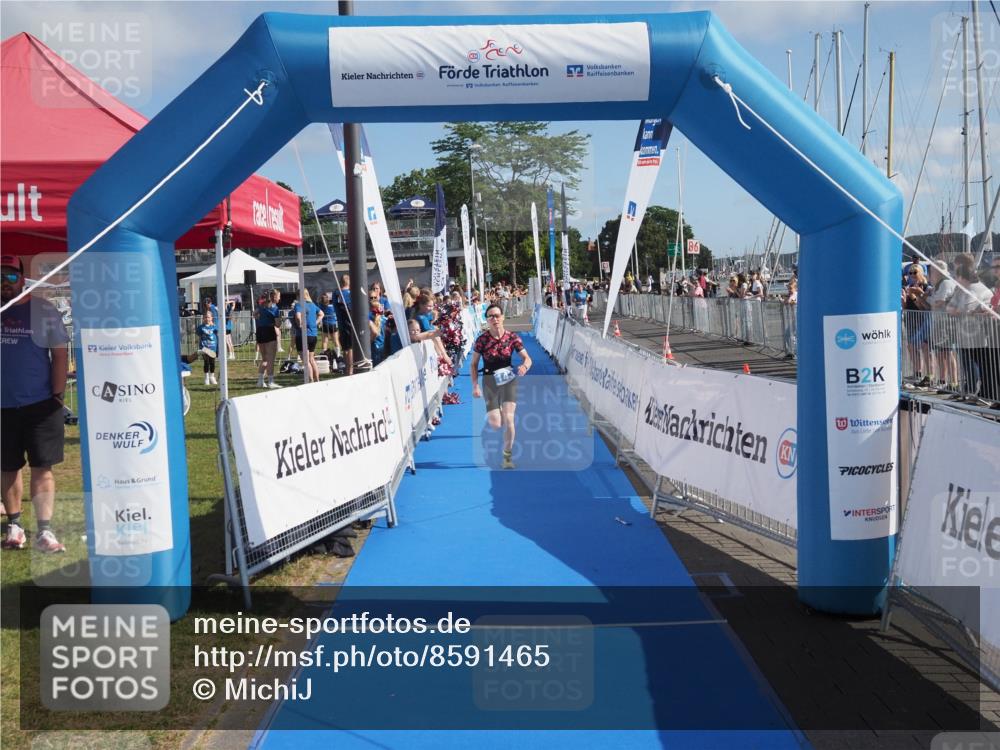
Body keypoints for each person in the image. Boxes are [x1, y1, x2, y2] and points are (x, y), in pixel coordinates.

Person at [1, 256, 69, 552]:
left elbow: (60, 354)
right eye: (0, 277)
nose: (5, 283)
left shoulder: (44, 311)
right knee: (7, 467)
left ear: (22, 278)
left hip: (41, 404)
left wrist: (57, 395)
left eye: (10, 277)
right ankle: (14, 525)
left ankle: (44, 531)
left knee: (42, 466)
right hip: (3, 406)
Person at [470, 304, 532, 470]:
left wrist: (525, 366)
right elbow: (474, 364)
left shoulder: (512, 337)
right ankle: (498, 414)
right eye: (490, 316)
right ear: (487, 320)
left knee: (509, 419)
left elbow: (527, 358)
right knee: (496, 424)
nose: (494, 319)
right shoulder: (482, 340)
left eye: (497, 315)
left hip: (507, 379)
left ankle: (507, 457)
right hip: (489, 381)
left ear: (503, 317)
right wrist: (475, 386)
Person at [293, 290, 323, 382]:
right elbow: (322, 314)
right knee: (311, 359)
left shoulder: (298, 305)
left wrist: (300, 324)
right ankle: (317, 379)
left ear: (298, 296)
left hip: (303, 335)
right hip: (313, 335)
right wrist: (315, 323)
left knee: (306, 361)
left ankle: (310, 380)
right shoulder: (313, 305)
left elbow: (298, 316)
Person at [255, 289, 282, 389]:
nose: (279, 298)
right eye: (279, 296)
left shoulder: (261, 305)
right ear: (274, 297)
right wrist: (278, 321)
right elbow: (278, 324)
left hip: (260, 331)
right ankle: (271, 382)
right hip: (269, 331)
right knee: (270, 359)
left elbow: (254, 314)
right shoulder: (275, 308)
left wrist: (260, 319)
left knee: (265, 358)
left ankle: (260, 381)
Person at [335, 274, 355, 375]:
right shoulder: (349, 294)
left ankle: (347, 369)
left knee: (345, 348)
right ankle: (350, 370)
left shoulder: (336, 293)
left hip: (341, 324)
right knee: (350, 348)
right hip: (349, 324)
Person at [198, 310, 219, 386]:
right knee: (206, 362)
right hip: (204, 347)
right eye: (206, 317)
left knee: (212, 363)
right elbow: (199, 335)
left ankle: (212, 377)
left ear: (211, 318)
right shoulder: (201, 327)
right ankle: (206, 377)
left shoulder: (214, 327)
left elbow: (217, 335)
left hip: (213, 347)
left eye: (209, 317)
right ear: (203, 318)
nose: (207, 319)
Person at [319, 292, 340, 360]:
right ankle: (338, 355)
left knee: (325, 341)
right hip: (333, 324)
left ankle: (324, 355)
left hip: (325, 325)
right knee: (335, 340)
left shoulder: (321, 307)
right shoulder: (333, 306)